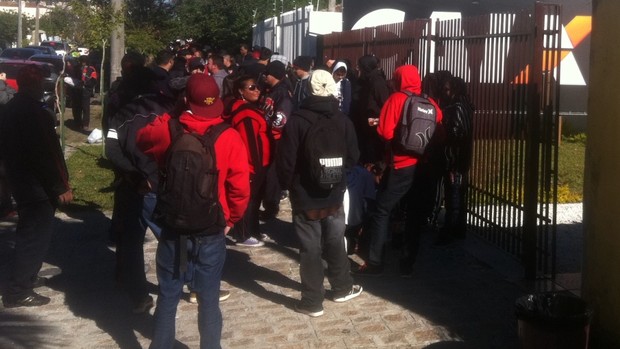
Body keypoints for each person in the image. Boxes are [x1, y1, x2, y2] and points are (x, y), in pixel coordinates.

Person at [137, 74, 250, 349]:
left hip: (174, 225)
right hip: (211, 226)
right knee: (209, 299)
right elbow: (240, 188)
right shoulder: (230, 136)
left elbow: (141, 139)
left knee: (167, 295)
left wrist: (173, 113)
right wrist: (232, 219)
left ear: (186, 99)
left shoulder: (169, 129)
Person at [277, 69, 363, 317]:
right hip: (334, 194)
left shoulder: (297, 121)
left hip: (306, 197)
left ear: (309, 89)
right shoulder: (343, 120)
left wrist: (289, 186)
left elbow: (286, 161)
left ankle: (313, 301)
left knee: (310, 248)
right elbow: (354, 156)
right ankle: (342, 287)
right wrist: (337, 177)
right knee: (336, 240)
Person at [353, 64, 443, 277]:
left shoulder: (396, 99)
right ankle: (407, 264)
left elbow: (384, 132)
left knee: (383, 210)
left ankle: (375, 261)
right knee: (414, 213)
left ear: (399, 79)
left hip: (400, 165)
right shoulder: (429, 103)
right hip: (422, 167)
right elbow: (440, 130)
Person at [0, 64, 73, 308]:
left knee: (29, 236)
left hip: (22, 182)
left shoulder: (11, 108)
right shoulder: (33, 112)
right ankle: (18, 290)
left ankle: (27, 277)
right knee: (33, 239)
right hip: (37, 187)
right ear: (34, 84)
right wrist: (60, 186)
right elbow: (47, 155)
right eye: (41, 82)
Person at [105, 66, 175, 313]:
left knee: (131, 240)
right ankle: (192, 284)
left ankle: (137, 294)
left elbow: (111, 151)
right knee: (173, 237)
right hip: (164, 183)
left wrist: (132, 174)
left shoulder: (119, 115)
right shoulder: (170, 109)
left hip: (133, 185)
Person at [228, 75, 272, 247]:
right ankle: (243, 234)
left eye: (257, 87)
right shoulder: (246, 113)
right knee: (247, 200)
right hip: (252, 166)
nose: (257, 90)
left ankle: (253, 230)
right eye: (252, 87)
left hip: (261, 164)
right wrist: (254, 168)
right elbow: (249, 143)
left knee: (255, 201)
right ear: (241, 91)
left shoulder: (251, 108)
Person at [436, 76, 474, 244]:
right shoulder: (462, 105)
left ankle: (451, 230)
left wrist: (452, 162)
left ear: (455, 90)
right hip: (458, 158)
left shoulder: (457, 107)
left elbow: (457, 134)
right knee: (456, 194)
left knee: (454, 195)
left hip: (456, 159)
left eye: (447, 89)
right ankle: (457, 228)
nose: (444, 93)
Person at [259, 60, 293, 220]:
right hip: (267, 137)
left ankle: (271, 206)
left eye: (268, 73)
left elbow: (281, 117)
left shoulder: (283, 92)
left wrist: (272, 132)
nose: (265, 76)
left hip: (276, 140)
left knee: (273, 174)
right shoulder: (271, 90)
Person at [352, 55, 391, 164]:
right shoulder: (367, 80)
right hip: (367, 128)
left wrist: (377, 121)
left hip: (374, 129)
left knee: (374, 157)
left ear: (366, 67)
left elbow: (385, 104)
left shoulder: (377, 82)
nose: (357, 68)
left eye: (359, 66)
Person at [71, 55, 98, 132]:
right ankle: (77, 123)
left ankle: (85, 124)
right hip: (76, 90)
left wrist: (86, 84)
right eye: (81, 62)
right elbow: (73, 77)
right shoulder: (76, 68)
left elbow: (94, 80)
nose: (83, 64)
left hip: (86, 91)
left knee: (85, 108)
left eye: (84, 62)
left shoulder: (91, 69)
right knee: (76, 108)